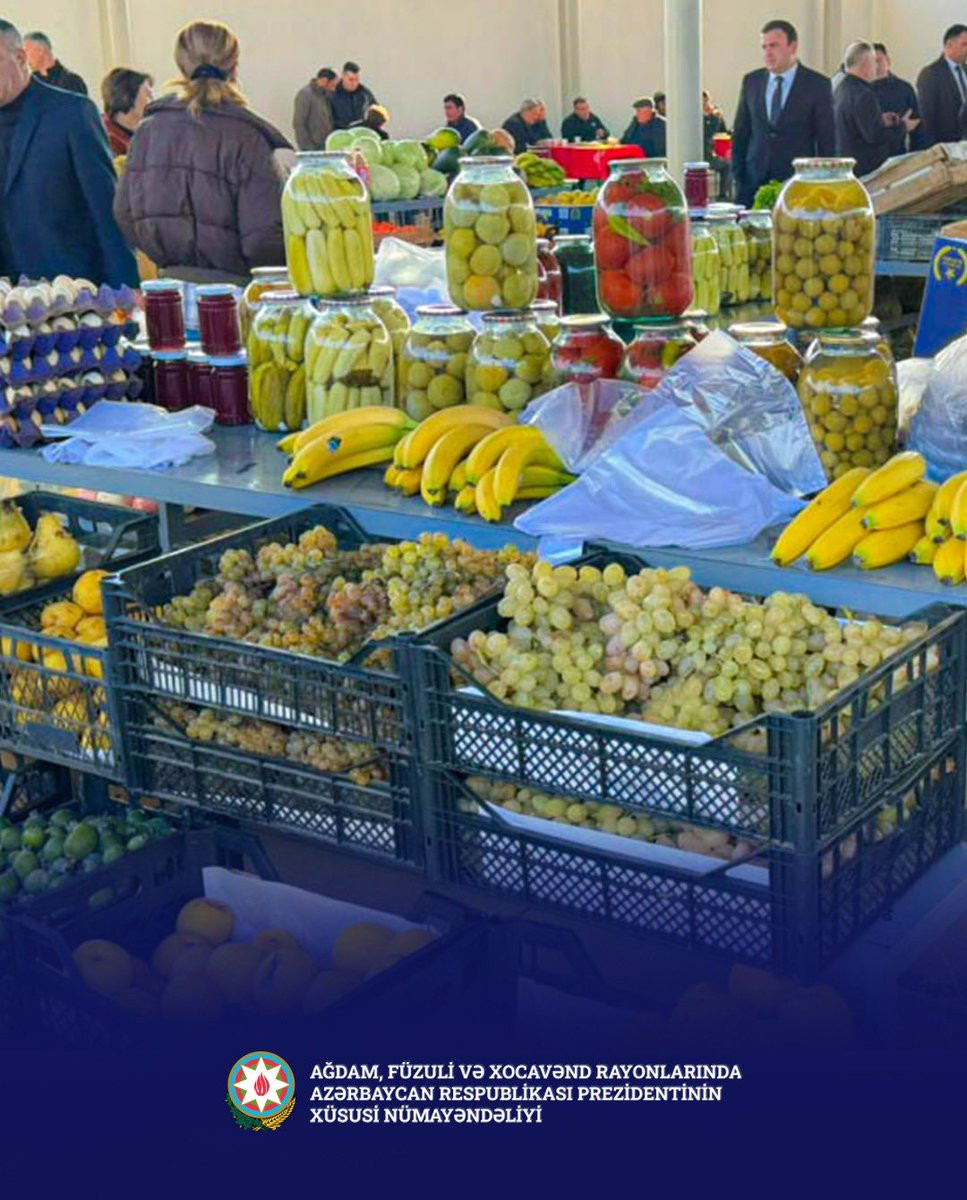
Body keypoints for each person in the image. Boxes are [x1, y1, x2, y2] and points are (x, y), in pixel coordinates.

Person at [114, 19, 291, 286]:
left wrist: (163, 252)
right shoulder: (247, 136)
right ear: (234, 67)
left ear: (181, 65)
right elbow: (263, 237)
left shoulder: (149, 130)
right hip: (237, 291)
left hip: (168, 288)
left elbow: (124, 212)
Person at [0, 19, 136, 285]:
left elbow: (105, 209)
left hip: (70, 289)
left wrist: (126, 289)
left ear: (20, 58)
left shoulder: (72, 113)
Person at [732, 18, 835, 208]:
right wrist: (739, 179)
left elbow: (827, 140)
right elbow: (741, 133)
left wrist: (822, 185)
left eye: (774, 46)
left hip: (797, 185)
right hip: (753, 184)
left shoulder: (817, 85)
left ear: (793, 47)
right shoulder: (752, 82)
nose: (768, 53)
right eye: (764, 47)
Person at [834, 40, 890, 176]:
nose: (876, 67)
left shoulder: (841, 88)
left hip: (845, 167)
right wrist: (902, 127)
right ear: (866, 64)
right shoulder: (864, 94)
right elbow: (874, 136)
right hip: (864, 172)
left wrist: (880, 119)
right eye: (874, 62)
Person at [916, 24, 967, 147]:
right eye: (964, 44)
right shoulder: (930, 74)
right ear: (949, 45)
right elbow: (927, 118)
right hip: (945, 146)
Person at [873, 43, 923, 155]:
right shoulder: (861, 91)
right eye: (871, 62)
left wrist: (915, 155)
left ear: (888, 61)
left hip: (898, 153)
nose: (875, 66)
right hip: (869, 156)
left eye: (878, 60)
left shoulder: (904, 88)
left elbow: (917, 124)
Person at [101, 67, 153, 156]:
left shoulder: (148, 134)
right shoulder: (108, 141)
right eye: (147, 95)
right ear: (126, 97)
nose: (153, 101)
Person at [22, 30, 86, 95]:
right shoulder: (28, 85)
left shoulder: (72, 82)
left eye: (26, 51)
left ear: (40, 50)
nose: (24, 57)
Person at [293, 67, 336, 150]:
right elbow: (299, 123)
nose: (333, 89)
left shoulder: (325, 96)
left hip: (325, 146)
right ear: (324, 81)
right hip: (311, 148)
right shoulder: (305, 94)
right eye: (332, 85)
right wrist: (307, 147)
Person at [329, 60, 376, 130]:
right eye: (351, 80)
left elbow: (376, 113)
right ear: (343, 76)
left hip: (361, 132)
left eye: (357, 80)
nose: (354, 83)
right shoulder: (332, 94)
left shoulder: (365, 95)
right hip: (339, 133)